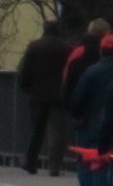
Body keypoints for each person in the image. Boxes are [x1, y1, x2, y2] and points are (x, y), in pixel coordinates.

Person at [17, 18, 74, 175]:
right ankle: (54, 166)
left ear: (45, 29)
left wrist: (26, 87)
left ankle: (31, 161)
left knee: (37, 130)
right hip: (59, 96)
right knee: (57, 132)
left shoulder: (34, 47)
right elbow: (72, 72)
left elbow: (24, 71)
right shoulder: (67, 48)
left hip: (37, 95)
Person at [65, 34, 113, 186]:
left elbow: (77, 99)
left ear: (102, 51)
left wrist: (77, 114)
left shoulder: (92, 72)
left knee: (94, 164)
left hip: (93, 125)